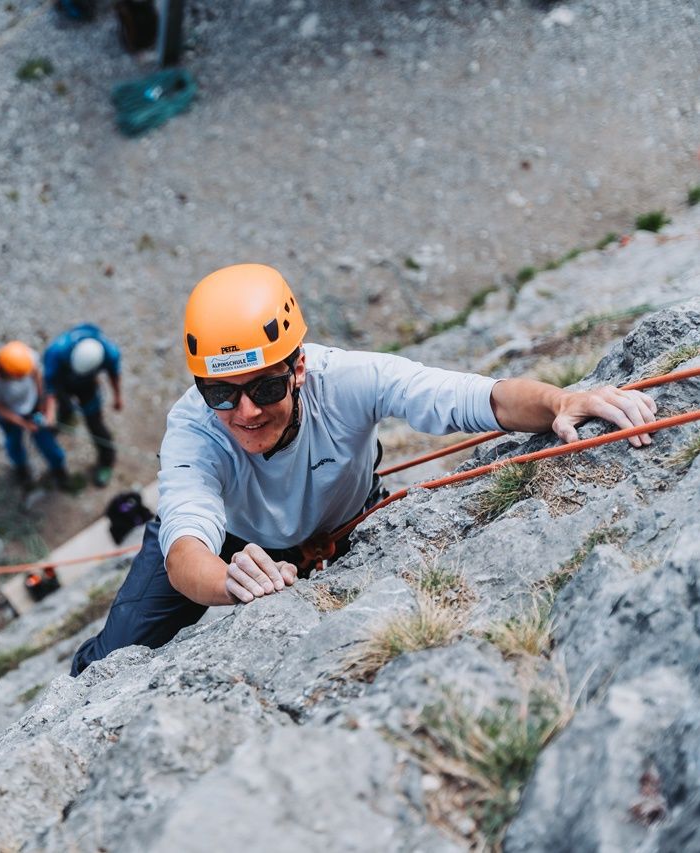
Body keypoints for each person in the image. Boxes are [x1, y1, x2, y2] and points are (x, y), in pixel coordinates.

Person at [70, 263, 657, 675]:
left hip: (343, 515)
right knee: (116, 651)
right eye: (221, 393)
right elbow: (185, 550)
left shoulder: (348, 380)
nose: (244, 412)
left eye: (266, 387)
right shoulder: (194, 429)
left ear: (298, 367)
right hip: (232, 543)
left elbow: (472, 398)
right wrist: (227, 580)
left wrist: (559, 402)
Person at [42, 324, 123, 487]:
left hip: (88, 385)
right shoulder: (56, 352)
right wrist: (49, 413)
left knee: (96, 424)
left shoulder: (108, 352)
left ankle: (107, 460)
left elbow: (114, 373)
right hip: (63, 381)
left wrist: (118, 397)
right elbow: (49, 384)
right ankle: (65, 416)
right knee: (63, 405)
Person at [0, 341, 70, 490]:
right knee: (13, 442)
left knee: (47, 442)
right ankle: (21, 468)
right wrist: (24, 424)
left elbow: (37, 375)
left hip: (33, 406)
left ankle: (59, 469)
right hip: (10, 415)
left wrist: (42, 404)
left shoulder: (27, 358)